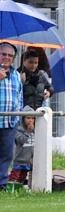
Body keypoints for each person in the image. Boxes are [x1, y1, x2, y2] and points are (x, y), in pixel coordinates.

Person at [0, 42, 23, 191]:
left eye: (10, 55)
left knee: (7, 155)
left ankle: (1, 184)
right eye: (3, 54)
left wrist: (18, 116)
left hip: (9, 122)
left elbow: (19, 97)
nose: (7, 57)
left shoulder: (16, 74)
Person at [8, 115, 34, 185]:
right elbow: (21, 140)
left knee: (22, 177)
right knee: (15, 177)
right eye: (28, 118)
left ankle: (19, 190)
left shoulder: (34, 131)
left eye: (32, 118)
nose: (31, 120)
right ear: (23, 119)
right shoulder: (18, 130)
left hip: (28, 160)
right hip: (19, 160)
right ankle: (9, 189)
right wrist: (28, 132)